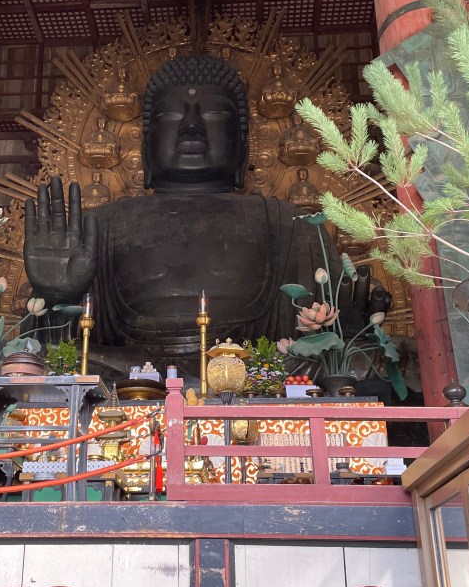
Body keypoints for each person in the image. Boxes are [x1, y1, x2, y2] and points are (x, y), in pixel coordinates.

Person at [24, 55, 376, 377]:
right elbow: (51, 351)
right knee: (45, 358)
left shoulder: (293, 226)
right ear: (145, 146)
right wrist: (55, 298)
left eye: (215, 115)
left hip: (257, 376)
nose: (191, 126)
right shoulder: (97, 226)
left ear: (243, 144)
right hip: (129, 378)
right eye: (170, 116)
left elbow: (329, 346)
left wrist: (349, 332)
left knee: (357, 362)